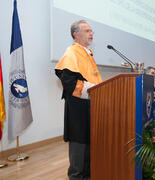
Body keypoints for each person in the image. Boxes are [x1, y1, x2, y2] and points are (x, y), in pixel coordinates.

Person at [55, 20, 102, 180]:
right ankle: (76, 176)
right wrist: (90, 89)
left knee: (89, 139)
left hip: (90, 103)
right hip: (78, 105)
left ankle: (88, 174)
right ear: (76, 34)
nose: (91, 34)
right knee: (79, 141)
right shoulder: (71, 53)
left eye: (91, 31)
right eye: (87, 31)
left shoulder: (87, 53)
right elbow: (67, 80)